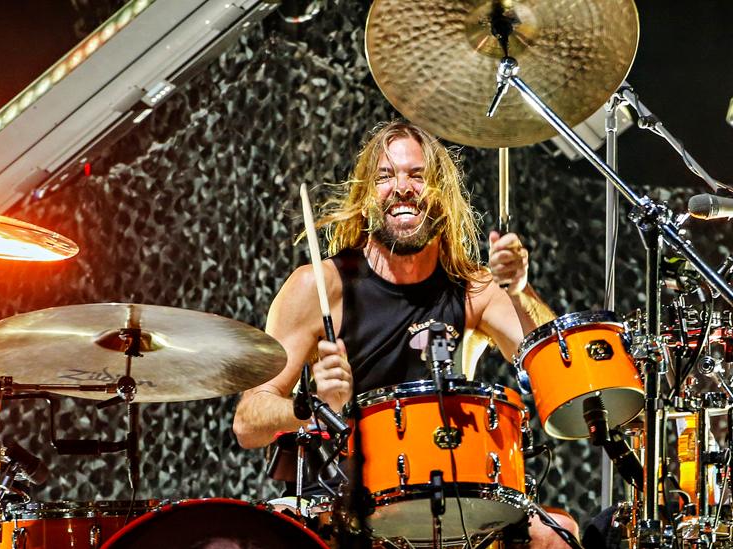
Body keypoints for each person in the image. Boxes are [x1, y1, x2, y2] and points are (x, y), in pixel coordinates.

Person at [233, 120, 578, 547]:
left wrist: (521, 290)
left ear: (442, 196)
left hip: (451, 493)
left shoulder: (472, 288)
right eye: (385, 176)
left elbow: (556, 371)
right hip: (342, 500)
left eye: (417, 175)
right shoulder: (319, 287)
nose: (402, 187)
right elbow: (249, 421)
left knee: (556, 535)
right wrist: (314, 408)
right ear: (365, 196)